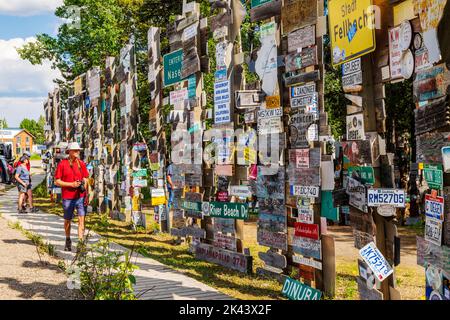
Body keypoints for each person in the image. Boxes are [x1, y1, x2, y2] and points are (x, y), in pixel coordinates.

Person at [54, 142, 89, 252]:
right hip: (68, 197)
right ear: (69, 151)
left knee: (81, 220)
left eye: (78, 150)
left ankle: (81, 243)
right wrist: (71, 185)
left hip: (80, 196)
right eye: (75, 150)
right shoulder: (62, 164)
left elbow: (86, 178)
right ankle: (68, 239)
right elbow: (57, 181)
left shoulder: (81, 164)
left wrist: (85, 186)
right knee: (67, 220)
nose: (77, 152)